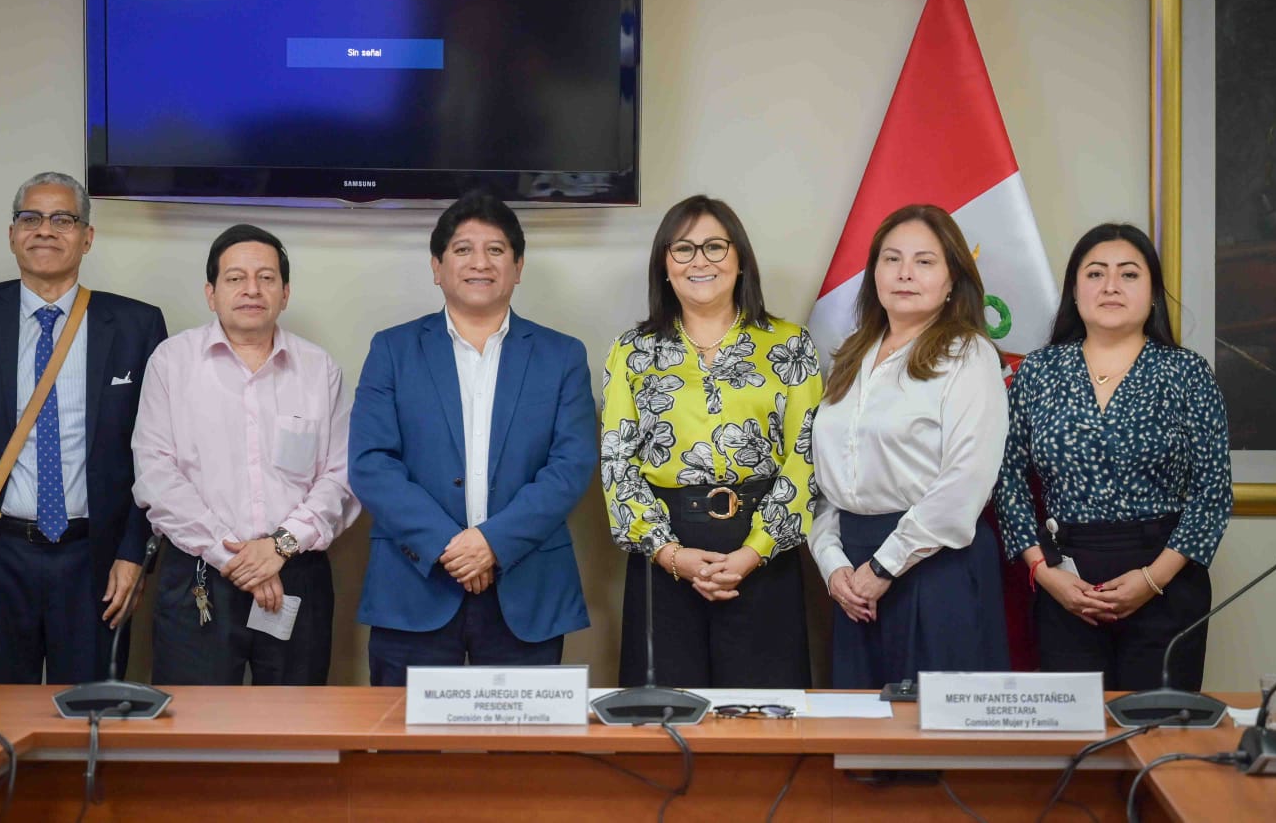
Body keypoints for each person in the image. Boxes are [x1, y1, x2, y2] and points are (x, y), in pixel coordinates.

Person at [0, 172, 167, 683]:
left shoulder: (136, 325)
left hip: (95, 562)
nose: (44, 230)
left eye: (62, 219)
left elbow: (154, 456)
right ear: (12, 234)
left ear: (87, 237)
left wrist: (133, 553)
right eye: (31, 218)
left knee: (89, 716)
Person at [349, 190, 595, 686]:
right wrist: (450, 547)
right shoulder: (393, 349)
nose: (480, 262)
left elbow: (571, 466)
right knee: (404, 736)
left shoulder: (562, 355)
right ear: (437, 267)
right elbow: (371, 463)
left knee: (522, 737)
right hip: (414, 584)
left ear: (518, 266)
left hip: (526, 586)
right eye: (462, 249)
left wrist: (492, 543)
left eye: (496, 250)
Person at [993, 223, 1231, 690]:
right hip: (1066, 581)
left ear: (1153, 293)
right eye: (1096, 273)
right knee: (1074, 729)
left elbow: (1213, 494)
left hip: (1165, 578)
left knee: (1156, 727)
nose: (1111, 286)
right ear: (1074, 291)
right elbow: (1007, 480)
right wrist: (1045, 574)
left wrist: (1152, 579)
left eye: (1129, 274)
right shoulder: (1039, 371)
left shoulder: (1187, 372)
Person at [602, 195, 821, 688]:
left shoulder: (790, 344)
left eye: (715, 247)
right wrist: (669, 554)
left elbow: (805, 458)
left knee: (763, 718)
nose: (699, 261)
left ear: (740, 259)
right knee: (666, 716)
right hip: (665, 555)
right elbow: (618, 463)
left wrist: (754, 552)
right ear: (665, 266)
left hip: (763, 554)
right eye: (683, 249)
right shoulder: (632, 351)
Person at [132, 224, 357, 686]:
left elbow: (342, 476)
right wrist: (235, 559)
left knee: (297, 721)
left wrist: (278, 547)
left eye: (266, 278)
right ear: (211, 293)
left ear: (285, 293)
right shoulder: (172, 362)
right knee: (196, 722)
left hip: (296, 573)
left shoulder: (318, 368)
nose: (252, 289)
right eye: (235, 278)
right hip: (200, 574)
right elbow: (156, 475)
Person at [808, 204, 1009, 689]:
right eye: (891, 259)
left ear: (952, 278)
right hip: (853, 576)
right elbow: (826, 478)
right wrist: (833, 565)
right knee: (860, 727)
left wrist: (884, 567)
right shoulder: (851, 354)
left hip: (935, 568)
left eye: (924, 261)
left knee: (936, 728)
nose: (904, 273)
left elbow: (966, 483)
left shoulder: (969, 355)